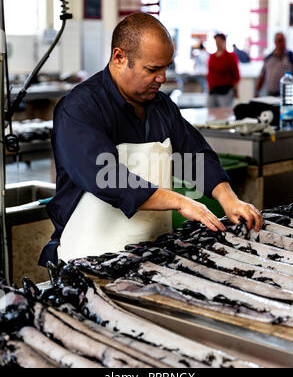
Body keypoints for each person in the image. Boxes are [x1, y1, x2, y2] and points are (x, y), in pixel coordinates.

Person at [39, 14, 262, 267]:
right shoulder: (79, 108)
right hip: (87, 258)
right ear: (119, 58)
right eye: (153, 69)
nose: (163, 77)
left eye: (166, 67)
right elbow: (106, 177)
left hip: (152, 255)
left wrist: (228, 197)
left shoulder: (162, 108)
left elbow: (194, 155)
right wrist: (180, 201)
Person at [255, 32, 293, 97]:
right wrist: (257, 91)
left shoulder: (292, 57)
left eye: (283, 40)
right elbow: (262, 76)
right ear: (275, 42)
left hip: (286, 95)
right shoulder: (269, 58)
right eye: (279, 41)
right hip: (270, 94)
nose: (282, 43)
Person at [207, 33, 240, 108]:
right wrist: (209, 85)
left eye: (220, 41)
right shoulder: (212, 57)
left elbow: (236, 75)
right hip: (213, 89)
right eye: (216, 41)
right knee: (210, 111)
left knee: (224, 112)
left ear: (224, 42)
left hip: (225, 90)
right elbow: (210, 73)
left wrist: (236, 90)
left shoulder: (230, 57)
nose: (218, 43)